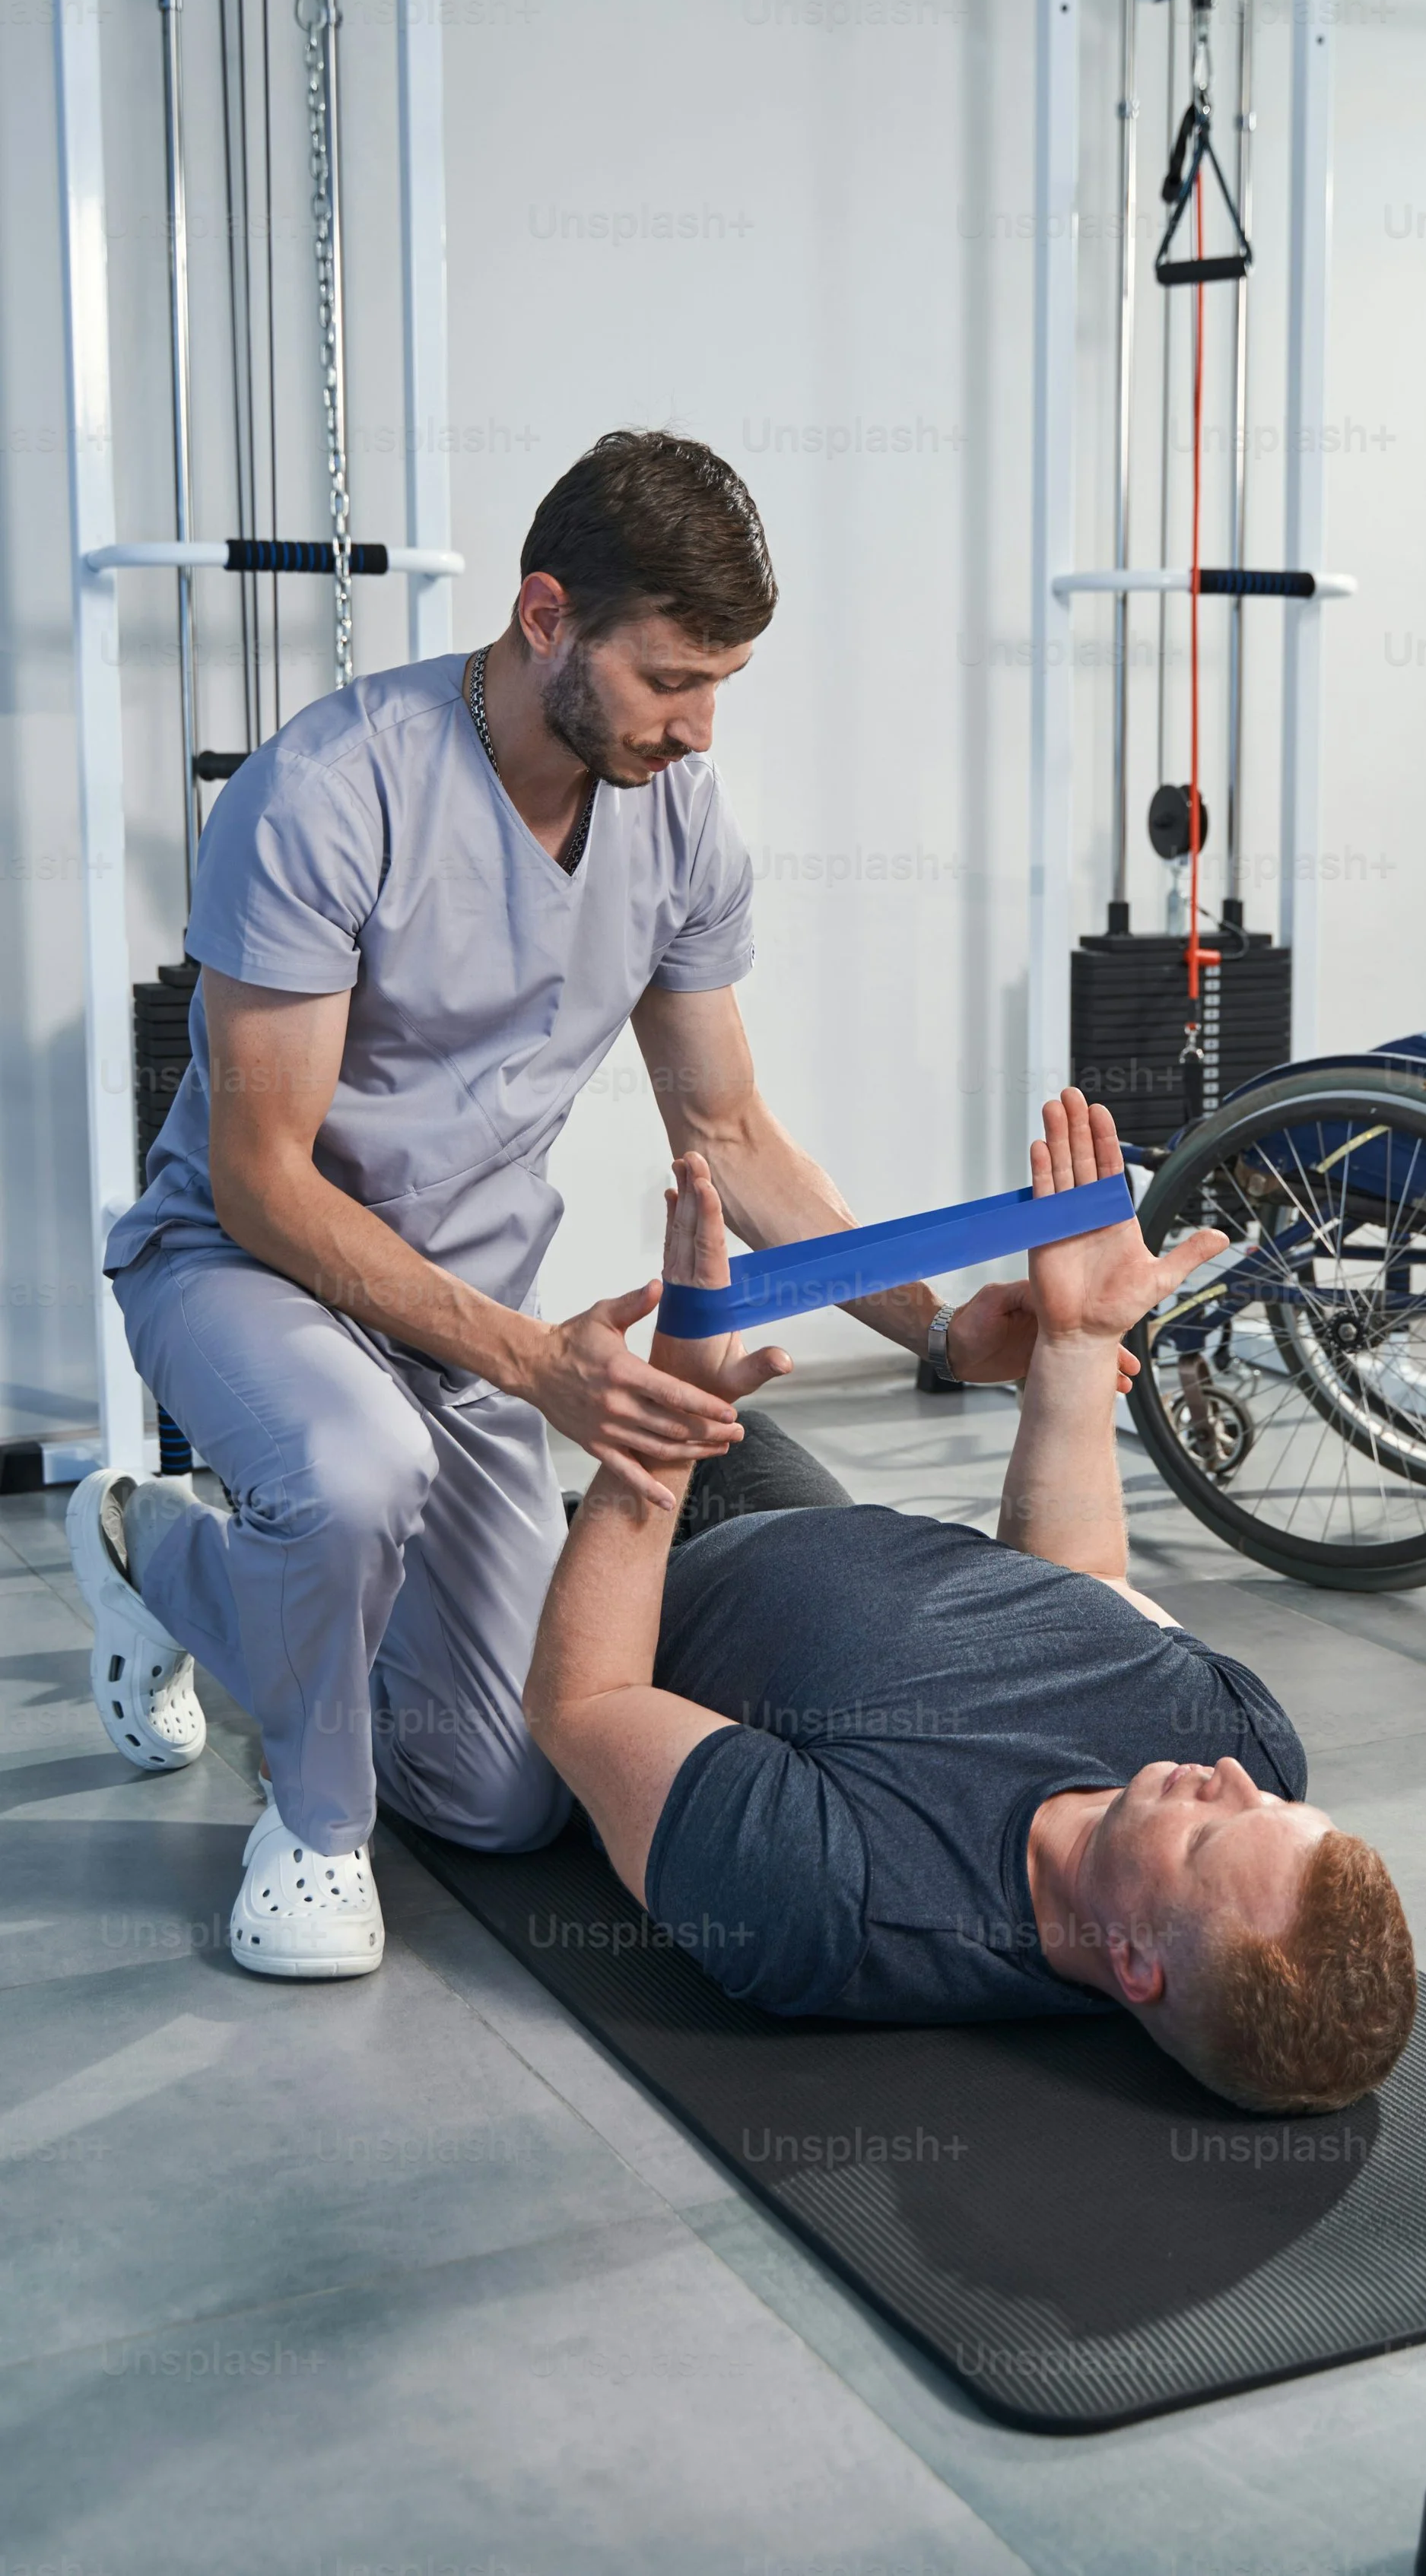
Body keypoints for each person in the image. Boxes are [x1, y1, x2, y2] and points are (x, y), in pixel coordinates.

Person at [68, 432, 1120, 1984]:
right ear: (546, 615)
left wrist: (944, 1331)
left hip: (477, 1326)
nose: (697, 728)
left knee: (498, 1795)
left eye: (721, 687)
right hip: (245, 1271)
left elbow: (732, 1131)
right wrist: (529, 1363)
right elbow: (262, 1177)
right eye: (670, 679)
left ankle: (188, 1572)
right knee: (355, 1470)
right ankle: (305, 1820)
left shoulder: (677, 821)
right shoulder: (323, 791)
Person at [523, 1091, 1418, 2114]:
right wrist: (1077, 1344)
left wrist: (669, 1417)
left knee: (411, 1476)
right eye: (1279, 1806)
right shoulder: (1245, 1745)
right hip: (788, 1512)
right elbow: (1073, 1588)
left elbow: (583, 1701)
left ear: (1133, 1962)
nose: (1229, 1779)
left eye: (1211, 1835)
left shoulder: (836, 1902)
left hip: (605, 1579)